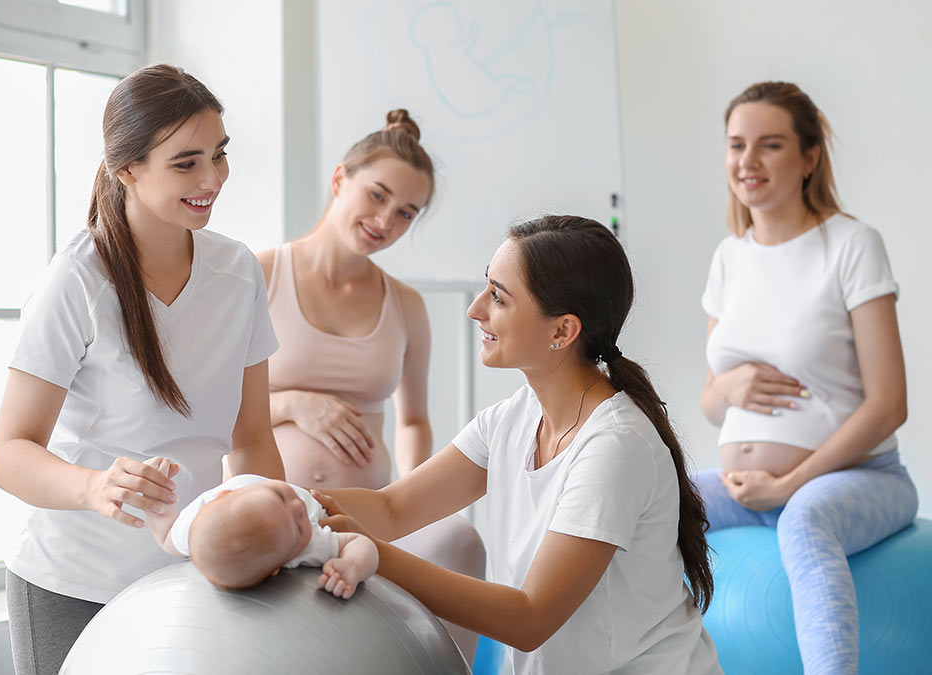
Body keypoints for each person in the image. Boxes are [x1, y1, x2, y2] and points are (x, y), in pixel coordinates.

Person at [312, 216, 721, 675]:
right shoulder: (515, 417)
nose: (475, 309)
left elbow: (529, 618)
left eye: (499, 297)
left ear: (562, 332)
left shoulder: (616, 447)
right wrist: (287, 504)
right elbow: (392, 509)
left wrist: (372, 555)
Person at [0, 64, 284, 675]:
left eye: (220, 155)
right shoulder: (78, 279)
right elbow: (10, 451)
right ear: (128, 169)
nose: (212, 179)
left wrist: (272, 541)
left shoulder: (238, 273)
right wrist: (93, 487)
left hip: (191, 578)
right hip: (73, 583)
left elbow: (252, 437)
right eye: (186, 163)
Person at [698, 81, 917, 675]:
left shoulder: (851, 244)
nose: (748, 162)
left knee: (807, 519)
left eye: (769, 145)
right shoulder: (729, 257)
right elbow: (711, 401)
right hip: (746, 484)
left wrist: (789, 483)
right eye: (736, 144)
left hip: (859, 478)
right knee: (644, 503)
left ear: (809, 156)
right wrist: (730, 388)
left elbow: (888, 405)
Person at [258, 109, 486, 660]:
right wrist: (294, 405)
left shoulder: (406, 305)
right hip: (273, 511)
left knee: (460, 540)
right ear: (340, 180)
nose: (387, 221)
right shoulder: (259, 273)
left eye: (407, 212)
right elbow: (205, 407)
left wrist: (403, 503)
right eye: (377, 196)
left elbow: (412, 420)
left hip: (368, 520)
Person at [142, 457, 377, 597]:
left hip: (241, 490)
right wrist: (354, 564)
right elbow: (359, 541)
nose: (298, 506)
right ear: (278, 566)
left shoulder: (194, 522)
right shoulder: (306, 545)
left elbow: (166, 537)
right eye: (299, 526)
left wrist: (155, 493)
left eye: (280, 494)